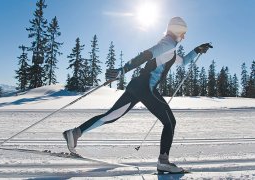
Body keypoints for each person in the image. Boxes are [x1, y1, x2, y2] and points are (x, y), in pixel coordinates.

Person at [63, 17, 212, 173]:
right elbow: (146, 55)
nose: (184, 36)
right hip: (146, 88)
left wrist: (197, 50)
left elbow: (182, 61)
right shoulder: (167, 44)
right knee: (170, 122)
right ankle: (164, 161)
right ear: (177, 31)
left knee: (110, 116)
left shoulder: (170, 48)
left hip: (137, 86)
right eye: (183, 33)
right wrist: (123, 70)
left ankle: (75, 133)